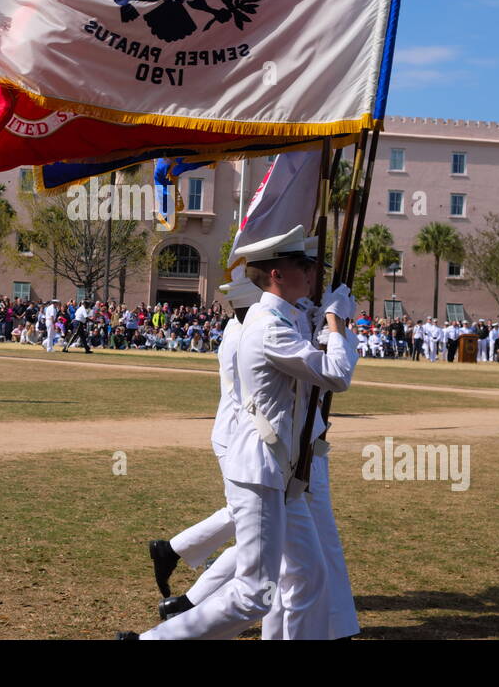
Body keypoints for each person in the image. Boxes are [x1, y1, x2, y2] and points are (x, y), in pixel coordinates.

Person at [127, 226, 357, 640]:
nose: (310, 273)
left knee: (309, 574)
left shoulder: (280, 318)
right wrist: (337, 322)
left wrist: (326, 322)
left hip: (283, 470)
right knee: (255, 595)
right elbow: (337, 376)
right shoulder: (269, 326)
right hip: (261, 469)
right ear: (277, 274)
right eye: (302, 265)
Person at [147, 271, 262, 614]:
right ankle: (188, 599)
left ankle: (173, 557)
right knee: (257, 527)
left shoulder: (236, 328)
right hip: (239, 438)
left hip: (235, 434)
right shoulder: (249, 333)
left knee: (250, 520)